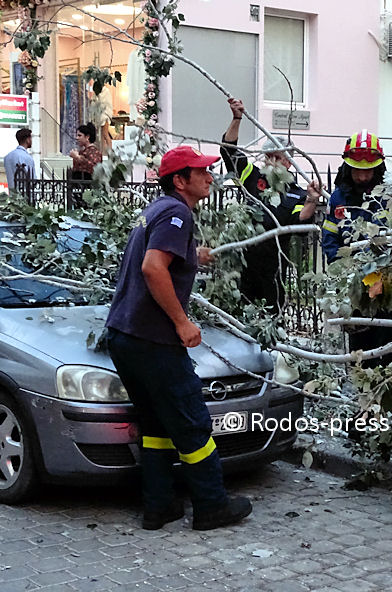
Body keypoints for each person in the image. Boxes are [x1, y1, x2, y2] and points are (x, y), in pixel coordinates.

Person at [105, 145, 252, 531]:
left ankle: (159, 506)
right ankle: (211, 506)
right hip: (153, 339)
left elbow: (157, 255)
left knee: (155, 422)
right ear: (179, 180)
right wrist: (182, 322)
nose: (209, 176)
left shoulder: (156, 210)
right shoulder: (177, 212)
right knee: (191, 422)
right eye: (200, 171)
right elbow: (154, 268)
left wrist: (192, 255)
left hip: (123, 335)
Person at [220, 97, 321, 311]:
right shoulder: (252, 177)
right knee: (240, 316)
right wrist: (237, 118)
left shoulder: (297, 194)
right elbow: (229, 152)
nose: (269, 161)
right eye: (267, 156)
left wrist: (312, 199)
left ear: (288, 161)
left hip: (273, 269)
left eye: (275, 157)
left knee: (271, 317)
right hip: (243, 262)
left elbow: (301, 223)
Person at [321, 130, 392, 368]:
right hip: (357, 289)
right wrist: (347, 272)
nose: (362, 176)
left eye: (367, 170)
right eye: (357, 170)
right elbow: (330, 239)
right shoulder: (339, 198)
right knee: (362, 355)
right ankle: (364, 400)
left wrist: (383, 277)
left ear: (378, 168)